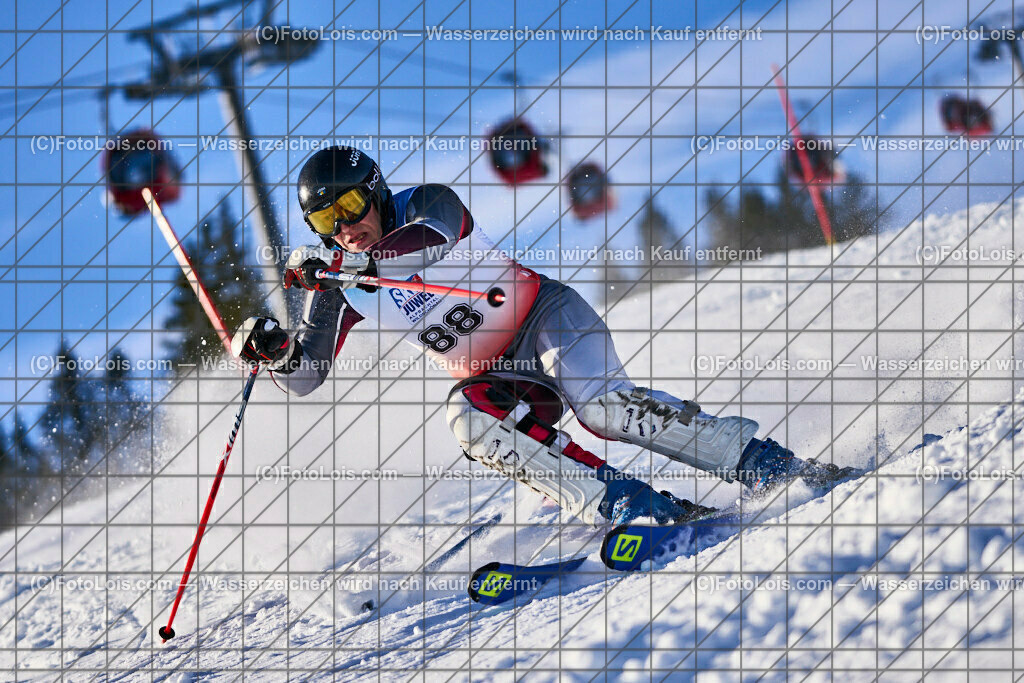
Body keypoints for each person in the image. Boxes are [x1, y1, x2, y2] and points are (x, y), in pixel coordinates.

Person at [232, 146, 852, 526]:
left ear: (375, 193)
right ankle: (623, 503)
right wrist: (266, 350)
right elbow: (305, 375)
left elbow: (430, 243)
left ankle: (762, 463)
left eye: (348, 208)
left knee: (606, 409)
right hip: (494, 375)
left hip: (546, 317)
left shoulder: (426, 204)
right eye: (324, 221)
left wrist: (353, 267)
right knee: (465, 419)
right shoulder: (336, 282)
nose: (342, 229)